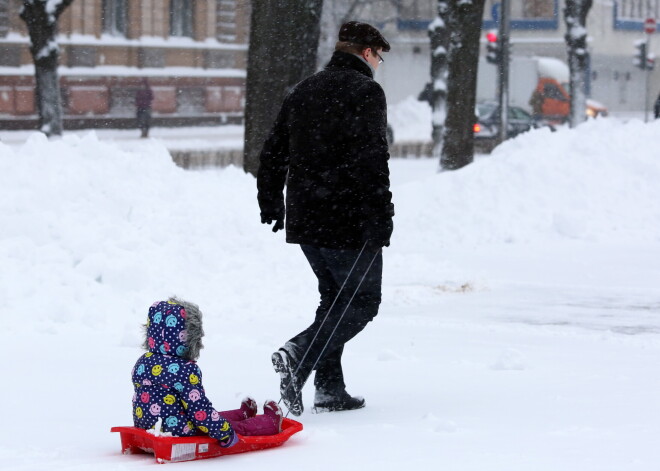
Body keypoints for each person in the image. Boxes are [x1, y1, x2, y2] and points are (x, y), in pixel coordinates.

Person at [257, 21, 394, 416]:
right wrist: (380, 215)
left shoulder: (304, 89)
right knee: (363, 302)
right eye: (379, 56)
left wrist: (271, 201)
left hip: (307, 218)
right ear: (367, 53)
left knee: (335, 299)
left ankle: (330, 389)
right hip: (349, 218)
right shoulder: (365, 91)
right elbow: (373, 158)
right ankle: (299, 354)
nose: (379, 64)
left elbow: (273, 152)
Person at [131, 298, 283, 446]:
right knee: (223, 425)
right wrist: (225, 433)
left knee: (213, 418)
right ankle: (270, 424)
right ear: (188, 336)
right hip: (181, 432)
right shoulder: (184, 369)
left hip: (148, 426)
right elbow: (200, 412)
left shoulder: (143, 362)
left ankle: (241, 414)